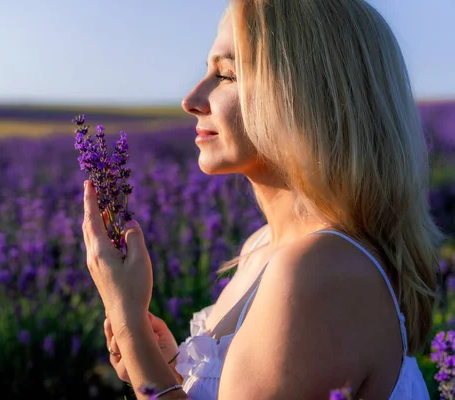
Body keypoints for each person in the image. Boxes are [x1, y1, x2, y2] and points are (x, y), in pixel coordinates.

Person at [82, 0, 444, 398]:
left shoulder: (319, 271)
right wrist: (165, 363)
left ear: (304, 96)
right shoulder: (261, 246)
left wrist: (130, 325)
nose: (191, 99)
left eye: (226, 75)